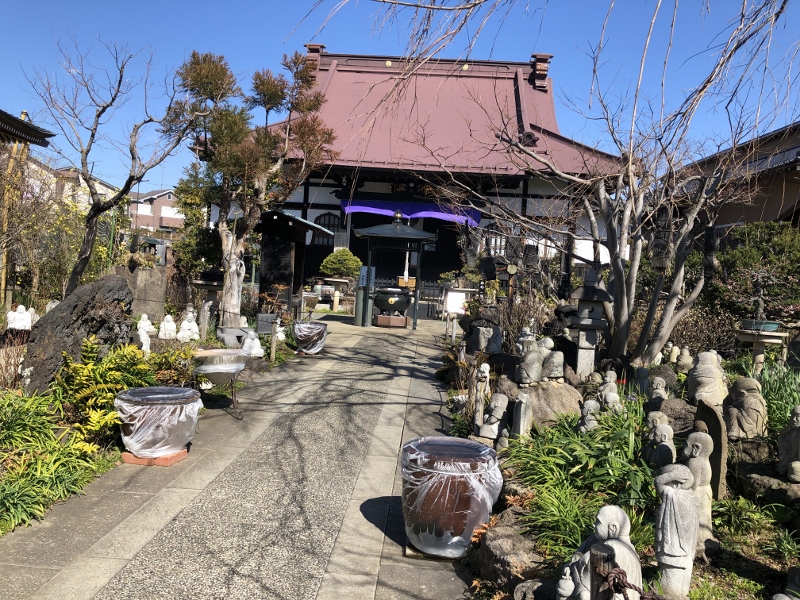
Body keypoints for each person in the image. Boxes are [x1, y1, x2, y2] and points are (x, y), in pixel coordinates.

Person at [655, 464, 698, 600]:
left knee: (671, 581)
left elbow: (658, 482)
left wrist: (672, 475)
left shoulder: (671, 494)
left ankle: (669, 593)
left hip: (674, 549)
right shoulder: (691, 496)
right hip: (685, 551)